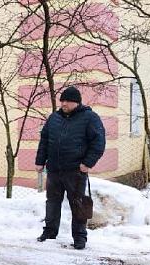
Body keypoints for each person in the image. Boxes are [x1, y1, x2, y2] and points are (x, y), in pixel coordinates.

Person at [35, 86, 106, 250]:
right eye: (62, 100)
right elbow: (44, 141)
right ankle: (50, 232)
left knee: (77, 204)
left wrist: (87, 163)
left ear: (76, 102)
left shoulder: (90, 118)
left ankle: (80, 238)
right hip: (54, 169)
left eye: (67, 101)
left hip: (76, 171)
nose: (64, 103)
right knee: (52, 202)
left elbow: (98, 142)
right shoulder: (54, 118)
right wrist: (40, 161)